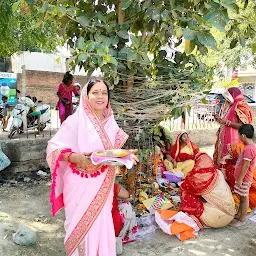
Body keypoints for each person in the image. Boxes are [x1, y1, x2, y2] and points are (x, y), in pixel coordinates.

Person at [47, 78, 138, 256]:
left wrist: (126, 155)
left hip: (102, 184)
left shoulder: (110, 122)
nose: (100, 96)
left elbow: (109, 153)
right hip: (79, 183)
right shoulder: (75, 121)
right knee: (79, 226)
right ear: (85, 96)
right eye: (95, 92)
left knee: (101, 223)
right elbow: (53, 148)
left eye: (104, 93)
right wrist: (75, 157)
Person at [179, 152, 236, 228]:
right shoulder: (218, 172)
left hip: (214, 219)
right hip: (230, 214)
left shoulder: (197, 178)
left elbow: (183, 187)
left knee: (186, 192)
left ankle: (193, 215)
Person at [213, 87, 252, 165]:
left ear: (233, 95)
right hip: (224, 138)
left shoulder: (240, 105)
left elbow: (245, 126)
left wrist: (227, 122)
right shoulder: (231, 105)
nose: (226, 99)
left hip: (235, 139)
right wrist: (219, 119)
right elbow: (225, 121)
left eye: (228, 97)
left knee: (232, 162)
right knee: (223, 162)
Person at [230, 124, 256, 227]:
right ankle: (239, 215)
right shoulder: (250, 146)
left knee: (244, 198)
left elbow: (246, 165)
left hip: (244, 179)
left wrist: (240, 179)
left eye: (239, 135)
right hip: (243, 178)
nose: (239, 138)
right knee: (241, 197)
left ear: (243, 135)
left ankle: (241, 220)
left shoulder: (249, 149)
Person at [112, 183, 138, 255]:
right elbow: (126, 195)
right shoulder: (109, 183)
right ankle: (124, 236)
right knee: (127, 205)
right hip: (111, 226)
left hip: (88, 228)